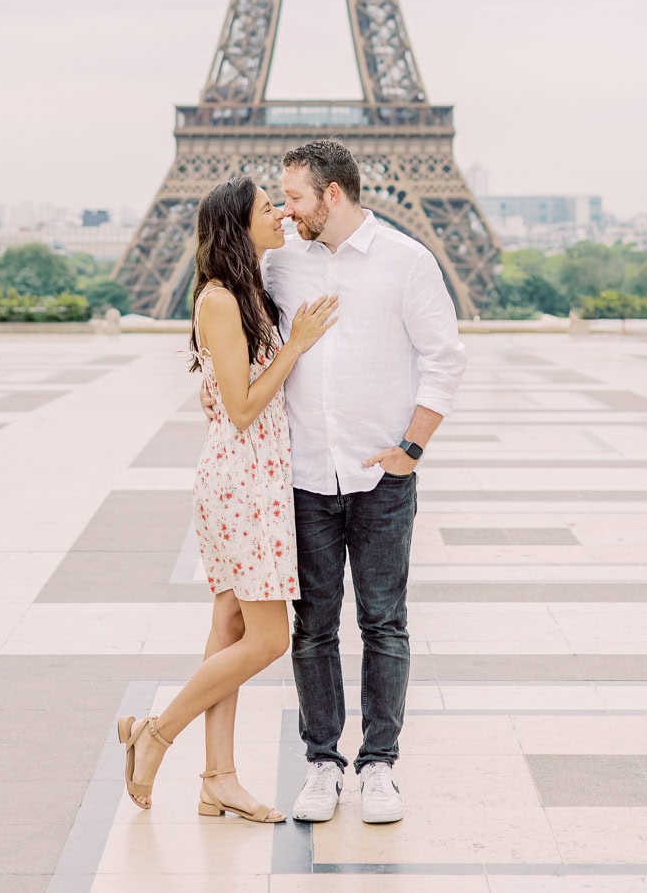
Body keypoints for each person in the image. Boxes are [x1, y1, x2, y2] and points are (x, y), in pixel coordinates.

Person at [117, 174, 337, 819]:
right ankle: (157, 733)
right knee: (268, 640)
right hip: (244, 481)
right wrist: (297, 345)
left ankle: (219, 777)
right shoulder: (220, 300)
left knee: (230, 628)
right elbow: (241, 407)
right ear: (239, 224)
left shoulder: (251, 292)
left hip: (254, 478)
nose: (280, 216)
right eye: (269, 209)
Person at [269, 138, 467, 825]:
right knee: (312, 626)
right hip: (305, 474)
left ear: (331, 194)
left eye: (293, 195)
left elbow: (445, 358)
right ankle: (321, 760)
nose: (283, 208)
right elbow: (236, 329)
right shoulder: (280, 262)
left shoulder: (406, 262)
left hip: (379, 476)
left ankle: (379, 762)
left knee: (384, 622)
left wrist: (413, 446)